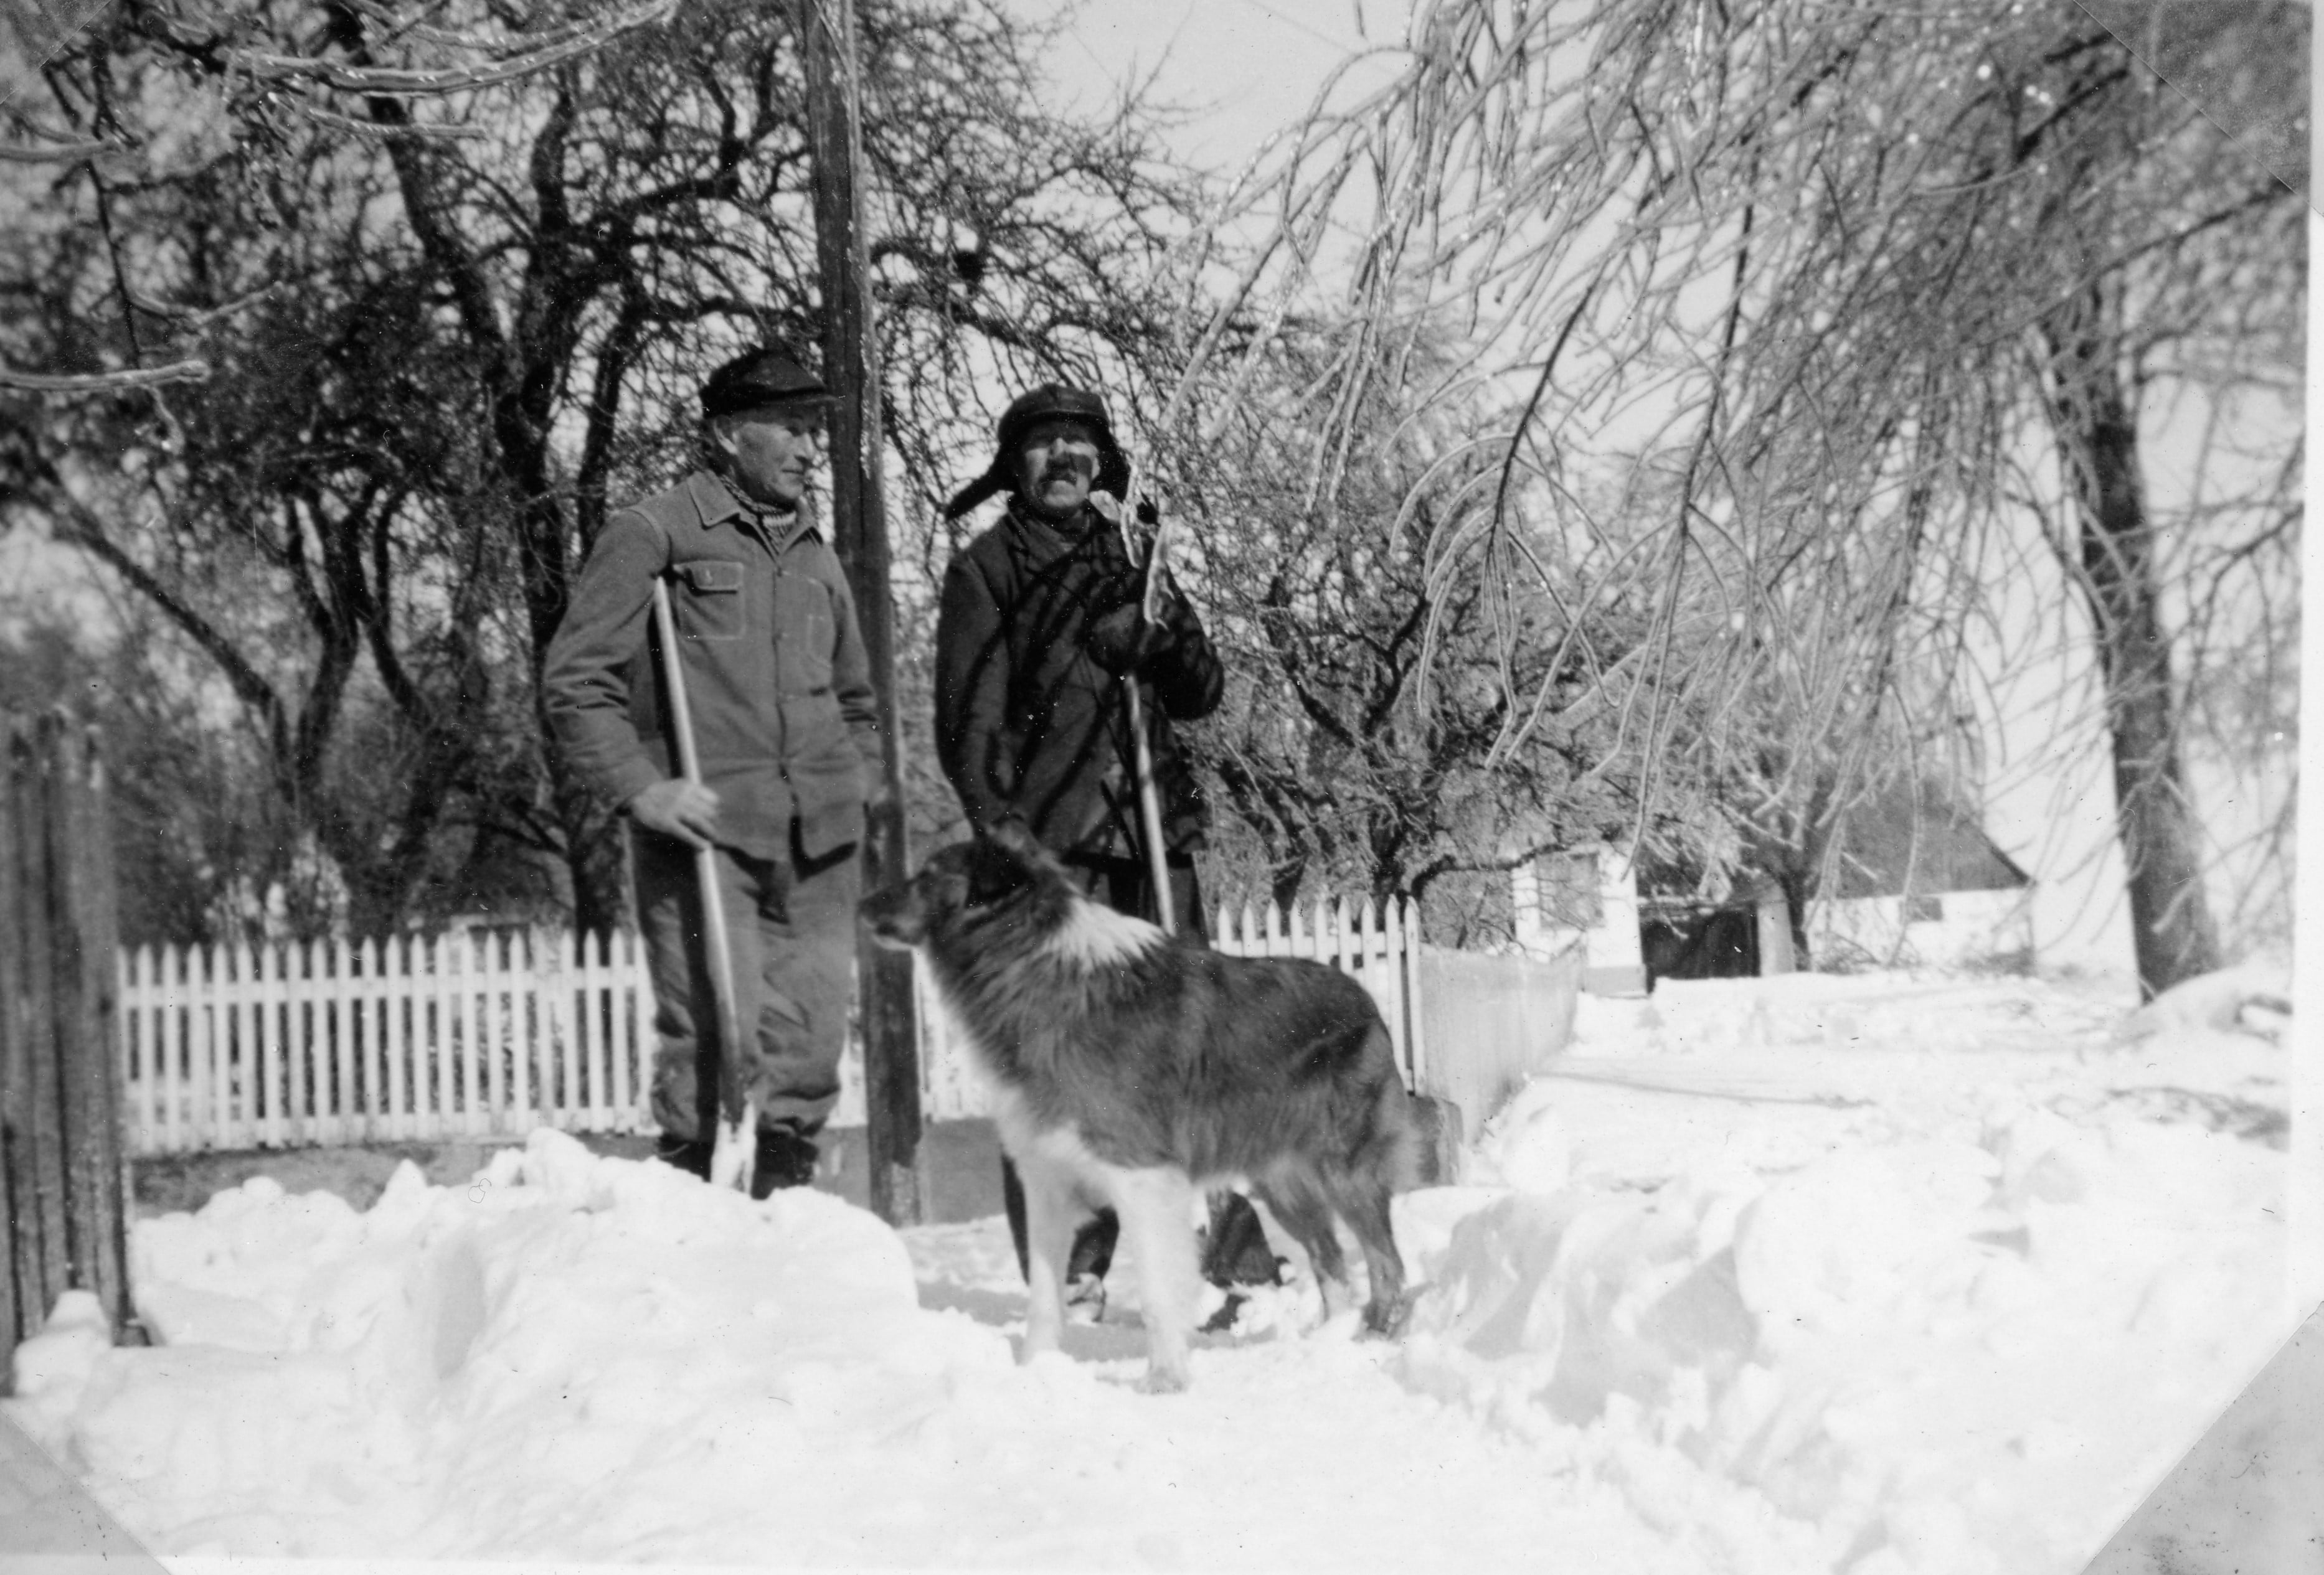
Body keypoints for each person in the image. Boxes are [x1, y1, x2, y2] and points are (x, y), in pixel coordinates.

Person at [934, 382, 1281, 1325]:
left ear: (1103, 462)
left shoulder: (1140, 556)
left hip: (1155, 839)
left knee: (1197, 1049)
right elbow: (970, 737)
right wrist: (1015, 855)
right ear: (1015, 463)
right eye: (1043, 445)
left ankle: (1228, 1258)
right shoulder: (987, 572)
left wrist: (1162, 646)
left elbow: (1204, 691)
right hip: (1059, 856)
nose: (1063, 460)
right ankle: (1075, 1270)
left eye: (1079, 445)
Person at [543, 347, 882, 1200]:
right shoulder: (654, 532)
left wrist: (859, 785)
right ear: (729, 434)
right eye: (792, 428)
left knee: (806, 1045)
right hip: (707, 834)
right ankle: (698, 1228)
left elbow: (857, 700)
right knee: (711, 1035)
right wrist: (640, 787)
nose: (811, 448)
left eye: (816, 429)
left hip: (819, 838)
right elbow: (576, 680)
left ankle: (784, 1208)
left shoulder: (816, 554)